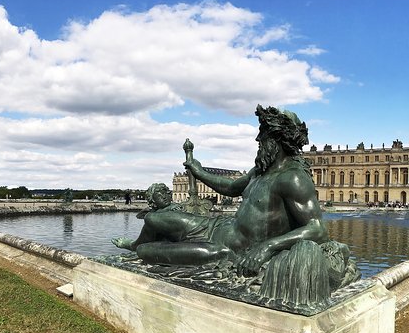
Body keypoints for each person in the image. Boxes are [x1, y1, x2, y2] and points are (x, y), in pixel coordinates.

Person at [112, 105, 328, 276]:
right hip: (214, 226)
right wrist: (199, 171)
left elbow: (317, 228)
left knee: (146, 252)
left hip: (224, 248)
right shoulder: (260, 171)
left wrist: (268, 247)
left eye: (262, 135)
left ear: (277, 140)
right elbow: (232, 187)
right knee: (152, 218)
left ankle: (146, 248)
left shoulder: (293, 178)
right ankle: (135, 244)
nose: (257, 140)